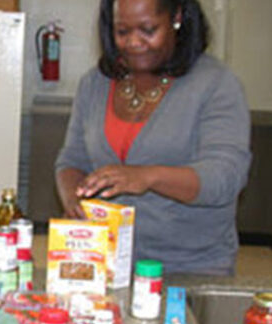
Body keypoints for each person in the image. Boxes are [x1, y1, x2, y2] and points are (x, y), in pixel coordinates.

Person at [55, 0, 251, 275]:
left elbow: (225, 177)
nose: (134, 42)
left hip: (188, 267)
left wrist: (147, 177)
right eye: (122, 32)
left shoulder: (215, 84)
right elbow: (72, 159)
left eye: (148, 29)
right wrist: (74, 201)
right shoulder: (95, 83)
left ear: (177, 17)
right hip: (105, 262)